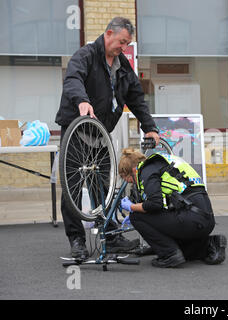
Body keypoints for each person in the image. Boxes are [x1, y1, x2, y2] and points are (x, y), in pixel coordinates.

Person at [55, 17, 160, 259]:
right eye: (121, 42)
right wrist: (82, 101)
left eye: (127, 44)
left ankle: (109, 234)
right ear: (109, 33)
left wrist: (150, 127)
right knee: (71, 188)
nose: (123, 48)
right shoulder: (86, 55)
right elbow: (72, 80)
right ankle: (77, 241)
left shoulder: (122, 65)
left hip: (101, 133)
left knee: (104, 186)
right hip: (77, 129)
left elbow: (136, 97)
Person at [118, 148, 227, 268]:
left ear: (133, 170)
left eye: (126, 178)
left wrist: (132, 207)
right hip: (205, 219)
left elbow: (155, 204)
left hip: (191, 218)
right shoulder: (161, 164)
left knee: (137, 217)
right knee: (183, 252)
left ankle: (169, 254)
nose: (128, 182)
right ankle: (209, 245)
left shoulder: (146, 171)